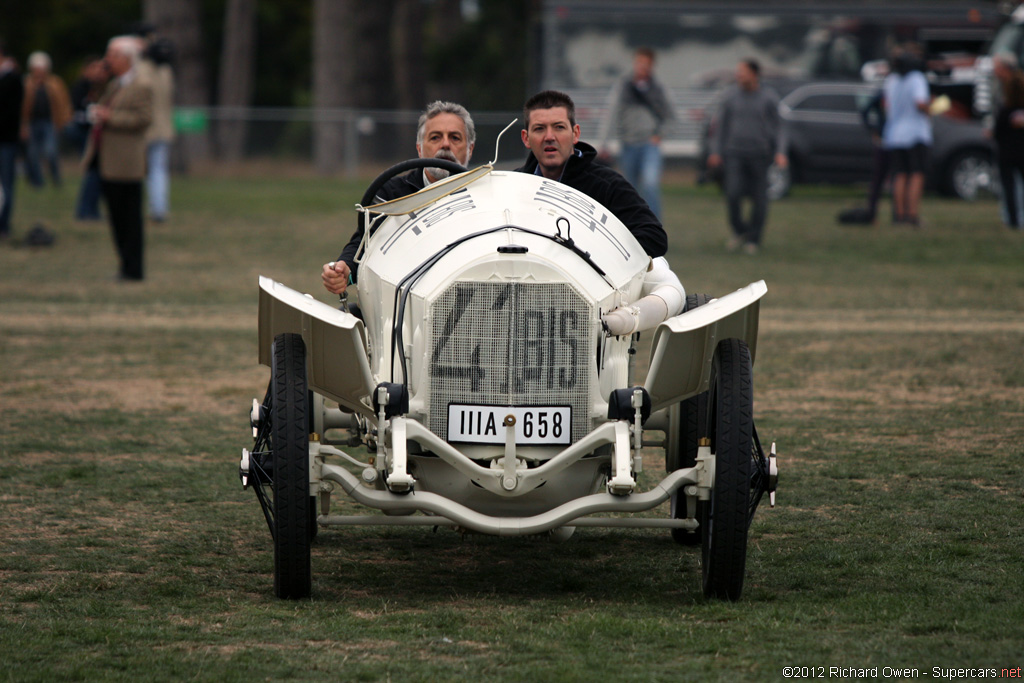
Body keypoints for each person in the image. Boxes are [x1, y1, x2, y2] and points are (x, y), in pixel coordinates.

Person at [322, 101, 476, 296]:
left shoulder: (487, 194)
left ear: (470, 149)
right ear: (420, 149)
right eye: (435, 137)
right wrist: (345, 270)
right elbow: (365, 241)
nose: (445, 144)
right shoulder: (391, 193)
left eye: (455, 138)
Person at [516, 89, 667, 258]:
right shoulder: (512, 186)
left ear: (575, 134)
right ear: (526, 138)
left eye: (559, 127)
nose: (549, 136)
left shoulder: (608, 185)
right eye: (539, 129)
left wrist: (589, 257)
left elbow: (654, 238)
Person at [83, 36, 153, 281]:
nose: (107, 59)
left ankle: (133, 269)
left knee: (130, 219)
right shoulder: (115, 84)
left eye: (112, 54)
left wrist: (109, 116)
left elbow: (143, 119)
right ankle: (125, 265)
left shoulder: (141, 85)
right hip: (108, 161)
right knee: (116, 218)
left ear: (126, 58)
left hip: (127, 163)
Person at [707, 59, 787, 255]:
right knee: (733, 193)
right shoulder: (730, 96)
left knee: (760, 198)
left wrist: (781, 152)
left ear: (754, 74)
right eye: (738, 72)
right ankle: (740, 230)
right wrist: (715, 151)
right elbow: (720, 126)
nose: (739, 75)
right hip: (734, 153)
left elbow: (780, 127)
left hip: (760, 154)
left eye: (742, 72)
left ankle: (754, 239)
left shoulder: (768, 97)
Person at [598, 47, 675, 218]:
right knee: (630, 190)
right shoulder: (623, 87)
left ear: (652, 66)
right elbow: (610, 115)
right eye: (639, 63)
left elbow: (672, 117)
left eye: (646, 64)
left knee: (650, 183)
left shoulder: (658, 88)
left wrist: (660, 134)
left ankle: (655, 226)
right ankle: (633, 226)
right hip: (628, 145)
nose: (642, 67)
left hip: (649, 144)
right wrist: (603, 143)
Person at [882, 46, 932, 227]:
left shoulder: (892, 80)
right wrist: (932, 108)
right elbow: (920, 103)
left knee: (900, 175)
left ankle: (899, 215)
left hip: (894, 134)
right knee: (916, 174)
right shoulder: (917, 79)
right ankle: (912, 215)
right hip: (915, 133)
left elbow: (886, 105)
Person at [21, 51, 72, 188]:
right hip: (31, 123)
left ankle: (56, 178)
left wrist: (63, 120)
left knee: (51, 151)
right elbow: (21, 106)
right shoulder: (27, 83)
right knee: (33, 153)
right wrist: (23, 125)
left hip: (50, 122)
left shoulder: (55, 83)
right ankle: (37, 181)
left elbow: (64, 103)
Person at [138, 36, 175, 223]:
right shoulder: (166, 71)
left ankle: (153, 208)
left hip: (145, 128)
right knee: (159, 171)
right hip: (163, 127)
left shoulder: (142, 70)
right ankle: (159, 209)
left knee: (144, 171)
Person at [68, 57, 108, 220]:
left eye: (101, 68)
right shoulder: (80, 87)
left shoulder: (102, 87)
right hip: (84, 132)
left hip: (95, 133)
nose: (99, 71)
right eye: (94, 68)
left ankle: (91, 209)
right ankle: (85, 209)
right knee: (93, 171)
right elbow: (77, 112)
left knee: (97, 172)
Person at [991, 52, 1024, 231]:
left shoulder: (1005, 107)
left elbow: (998, 129)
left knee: (1009, 185)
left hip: (1007, 150)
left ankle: (1012, 220)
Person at [0, 39, 24, 241]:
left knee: (6, 183)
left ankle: (3, 225)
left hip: (6, 139)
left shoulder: (12, 79)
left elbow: (10, 113)